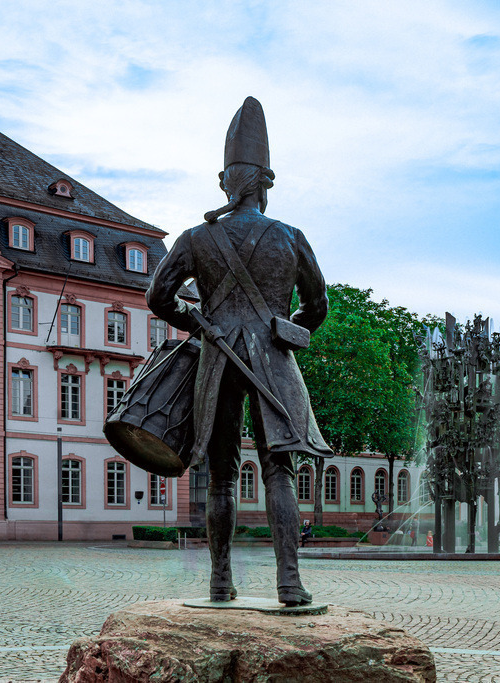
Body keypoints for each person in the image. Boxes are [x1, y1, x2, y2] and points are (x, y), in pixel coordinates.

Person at [147, 97, 332, 607]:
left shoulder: (195, 237)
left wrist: (197, 324)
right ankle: (290, 583)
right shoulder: (290, 237)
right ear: (264, 185)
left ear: (230, 183)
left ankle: (220, 582)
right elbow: (318, 306)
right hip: (273, 359)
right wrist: (288, 328)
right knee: (279, 471)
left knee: (222, 473)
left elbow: (157, 297)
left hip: (218, 356)